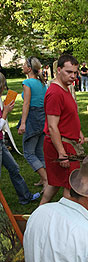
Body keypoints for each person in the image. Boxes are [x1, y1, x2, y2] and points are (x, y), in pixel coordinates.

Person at [41, 54, 84, 205]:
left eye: (75, 72)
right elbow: (52, 126)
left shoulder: (65, 88)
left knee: (54, 184)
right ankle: (67, 220)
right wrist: (61, 153)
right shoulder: (55, 93)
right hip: (62, 146)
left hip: (67, 142)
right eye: (69, 72)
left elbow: (67, 115)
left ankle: (38, 216)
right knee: (70, 187)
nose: (73, 76)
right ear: (58, 70)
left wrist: (77, 131)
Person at [0, 73, 40, 204]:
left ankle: (25, 197)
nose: (4, 88)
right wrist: (5, 113)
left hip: (1, 143)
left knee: (14, 168)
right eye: (3, 85)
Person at [18, 57, 48, 189]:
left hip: (33, 117)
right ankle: (44, 179)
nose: (22, 66)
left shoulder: (27, 82)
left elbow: (27, 103)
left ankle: (47, 180)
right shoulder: (42, 83)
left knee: (29, 153)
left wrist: (23, 123)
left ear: (29, 68)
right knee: (39, 152)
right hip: (43, 118)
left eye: (24, 64)